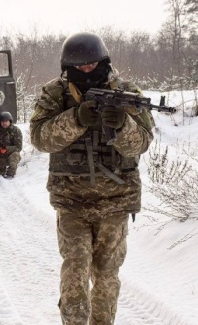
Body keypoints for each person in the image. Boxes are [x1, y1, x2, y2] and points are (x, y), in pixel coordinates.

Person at [29, 32, 154, 325]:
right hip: (72, 201)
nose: (87, 70)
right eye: (79, 66)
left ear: (104, 61)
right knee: (75, 270)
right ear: (67, 66)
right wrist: (76, 119)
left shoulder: (127, 92)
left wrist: (123, 125)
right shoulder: (54, 94)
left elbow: (143, 143)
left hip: (115, 201)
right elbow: (39, 138)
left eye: (92, 64)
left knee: (107, 275)